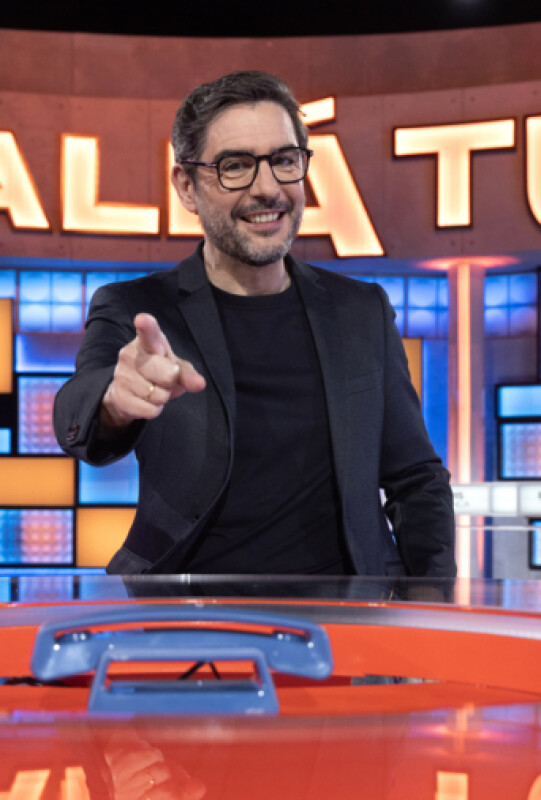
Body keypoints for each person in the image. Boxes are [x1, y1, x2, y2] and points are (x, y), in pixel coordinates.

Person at [54, 70, 455, 577]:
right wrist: (114, 402)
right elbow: (75, 416)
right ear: (187, 187)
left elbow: (416, 477)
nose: (268, 189)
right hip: (185, 603)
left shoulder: (361, 311)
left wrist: (428, 601)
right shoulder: (138, 309)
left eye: (284, 160)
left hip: (346, 609)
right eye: (236, 166)